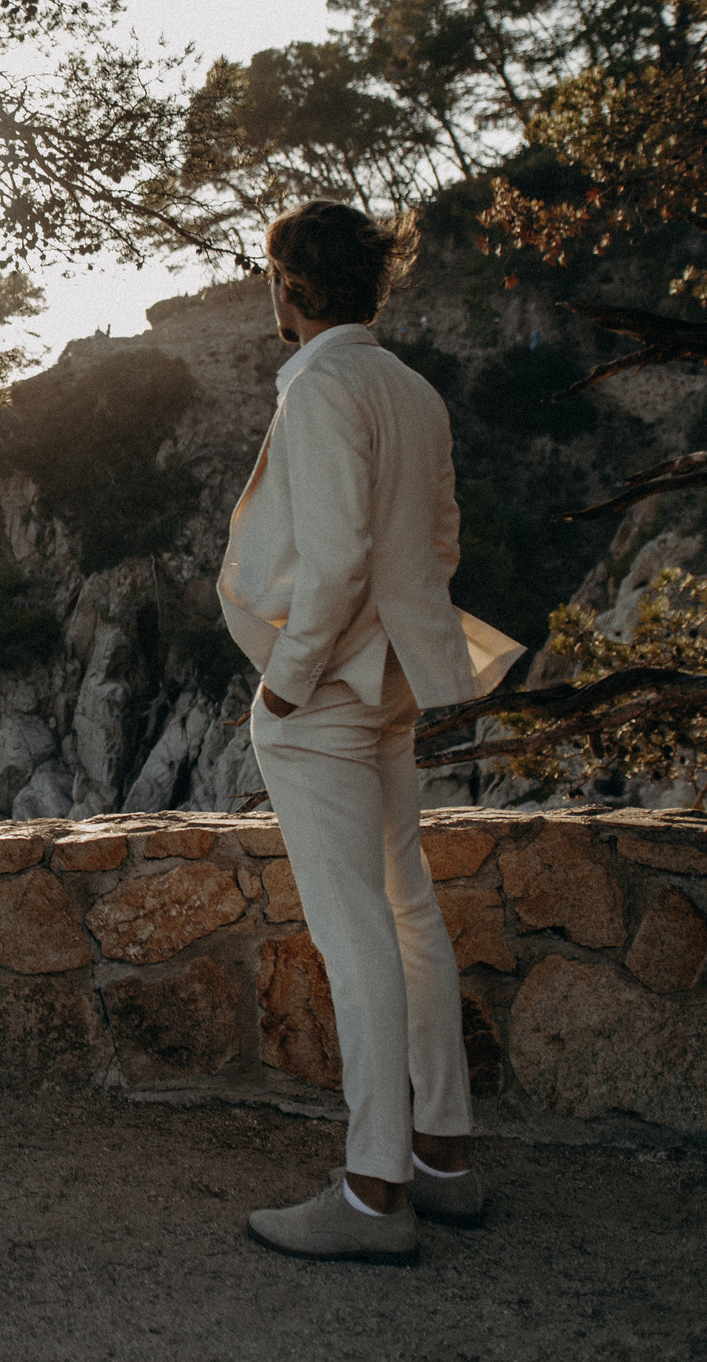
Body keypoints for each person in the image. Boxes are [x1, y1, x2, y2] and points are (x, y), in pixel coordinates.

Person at [217, 202, 521, 1265]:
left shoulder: (318, 384)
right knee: (407, 915)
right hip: (392, 680)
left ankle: (371, 1192)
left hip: (326, 694)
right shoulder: (412, 388)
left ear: (288, 285)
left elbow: (339, 557)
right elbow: (434, 547)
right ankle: (442, 1156)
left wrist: (290, 685)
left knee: (355, 937)